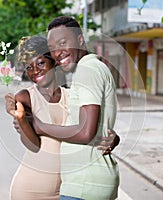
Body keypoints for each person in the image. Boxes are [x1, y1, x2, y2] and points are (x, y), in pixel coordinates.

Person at [5, 35, 118, 200]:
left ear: (54, 62)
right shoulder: (25, 97)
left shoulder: (72, 96)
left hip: (67, 189)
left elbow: (89, 128)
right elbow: (33, 146)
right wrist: (22, 120)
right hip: (30, 190)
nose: (35, 71)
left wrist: (114, 138)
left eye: (41, 63)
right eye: (28, 67)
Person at [32, 16, 120, 200]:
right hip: (87, 183)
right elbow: (95, 125)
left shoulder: (87, 70)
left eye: (63, 43)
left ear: (80, 40)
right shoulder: (94, 67)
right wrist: (113, 137)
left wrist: (40, 127)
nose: (57, 52)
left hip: (84, 185)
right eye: (53, 48)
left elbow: (85, 132)